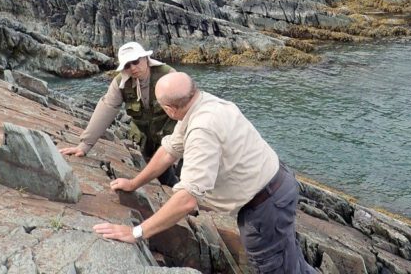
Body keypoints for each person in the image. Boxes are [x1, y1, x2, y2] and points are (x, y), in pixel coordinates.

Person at [92, 72, 316, 274]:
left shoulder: (202, 129)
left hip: (265, 206)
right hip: (277, 185)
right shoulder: (202, 103)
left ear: (169, 110)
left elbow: (187, 200)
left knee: (276, 268)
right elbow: (170, 150)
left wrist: (136, 233)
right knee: (291, 262)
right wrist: (134, 183)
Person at [59, 41, 179, 186]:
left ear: (146, 59)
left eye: (135, 61)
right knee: (163, 176)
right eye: (127, 65)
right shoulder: (120, 84)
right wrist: (84, 145)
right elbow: (106, 108)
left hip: (174, 136)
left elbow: (189, 107)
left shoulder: (169, 75)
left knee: (185, 176)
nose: (133, 68)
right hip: (147, 140)